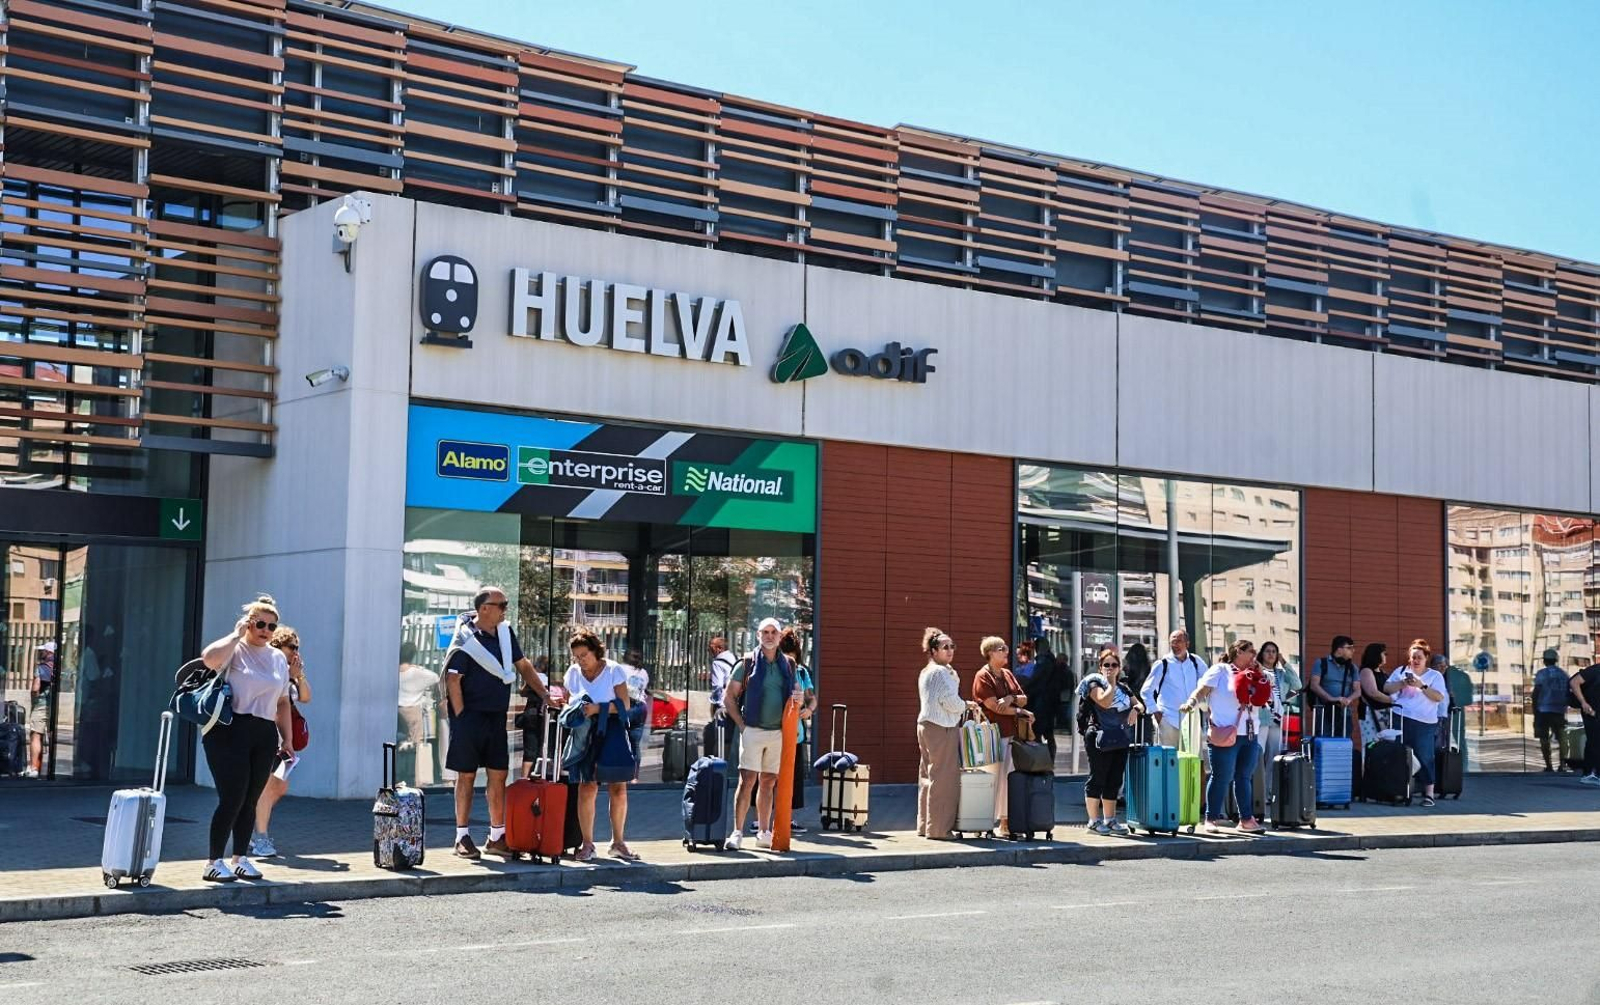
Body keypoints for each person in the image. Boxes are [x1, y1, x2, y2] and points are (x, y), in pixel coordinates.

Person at [442, 588, 551, 860]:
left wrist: (545, 694)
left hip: (496, 717)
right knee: (466, 776)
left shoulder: (505, 633)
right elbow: (453, 679)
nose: (505, 609)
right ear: (484, 609)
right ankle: (461, 837)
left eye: (506, 604)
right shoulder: (466, 638)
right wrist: (461, 716)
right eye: (500, 605)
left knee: (498, 775)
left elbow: (523, 665)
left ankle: (497, 836)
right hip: (470, 718)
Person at [197, 595, 295, 882]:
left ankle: (240, 858)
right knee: (232, 798)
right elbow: (208, 659)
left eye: (271, 626)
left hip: (264, 731)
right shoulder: (235, 649)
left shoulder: (277, 658)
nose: (265, 630)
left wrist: (287, 739)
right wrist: (236, 634)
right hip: (229, 730)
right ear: (249, 623)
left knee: (251, 799)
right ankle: (213, 862)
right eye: (260, 624)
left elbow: (282, 702)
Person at [724, 618, 799, 850]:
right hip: (753, 730)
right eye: (765, 632)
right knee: (747, 780)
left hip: (778, 732)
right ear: (758, 635)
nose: (769, 636)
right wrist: (742, 726)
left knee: (768, 782)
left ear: (779, 637)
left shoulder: (789, 664)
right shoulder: (746, 663)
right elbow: (729, 697)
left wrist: (799, 698)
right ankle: (737, 832)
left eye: (773, 632)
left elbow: (797, 693)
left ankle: (764, 832)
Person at [1181, 638, 1267, 834]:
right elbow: (1202, 690)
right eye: (1250, 651)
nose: (1254, 655)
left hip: (1249, 733)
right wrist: (1191, 702)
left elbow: (1265, 696)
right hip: (1224, 731)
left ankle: (1246, 819)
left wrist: (1261, 674)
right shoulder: (1221, 670)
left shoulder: (1255, 673)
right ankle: (1211, 818)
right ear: (1238, 652)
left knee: (1244, 777)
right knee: (1221, 776)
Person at [564, 629, 636, 860]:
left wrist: (598, 708)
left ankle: (618, 843)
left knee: (618, 787)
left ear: (595, 651)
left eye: (584, 655)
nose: (581, 660)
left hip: (611, 729)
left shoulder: (613, 670)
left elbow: (625, 704)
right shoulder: (573, 673)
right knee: (587, 786)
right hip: (585, 732)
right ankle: (587, 844)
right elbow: (568, 700)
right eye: (577, 656)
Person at [248, 626, 310, 858]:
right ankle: (260, 837)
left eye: (297, 647)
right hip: (267, 734)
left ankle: (250, 822)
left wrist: (298, 675)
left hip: (284, 739)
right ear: (278, 646)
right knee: (267, 785)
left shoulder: (291, 672)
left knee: (279, 786)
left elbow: (306, 697)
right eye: (291, 647)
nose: (295, 651)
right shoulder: (269, 668)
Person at [916, 627, 976, 840]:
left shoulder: (927, 671)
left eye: (952, 646)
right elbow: (950, 702)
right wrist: (966, 704)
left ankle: (925, 825)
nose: (950, 650)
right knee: (944, 779)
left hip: (926, 725)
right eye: (945, 647)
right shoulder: (941, 672)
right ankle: (939, 830)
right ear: (933, 651)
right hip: (942, 727)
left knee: (928, 777)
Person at [1079, 648, 1143, 834]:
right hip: (1099, 737)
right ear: (1100, 667)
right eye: (1106, 665)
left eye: (1114, 665)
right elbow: (1104, 702)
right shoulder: (1094, 684)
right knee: (1098, 777)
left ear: (1119, 668)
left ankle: (1110, 819)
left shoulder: (1124, 688)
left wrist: (1135, 710)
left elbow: (1140, 704)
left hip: (1119, 737)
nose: (1110, 668)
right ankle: (1093, 821)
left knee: (1114, 779)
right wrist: (1111, 682)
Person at [973, 636, 1031, 834]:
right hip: (992, 735)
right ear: (990, 653)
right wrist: (1019, 710)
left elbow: (1023, 698)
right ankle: (982, 823)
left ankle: (1004, 822)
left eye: (1006, 648)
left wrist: (1010, 698)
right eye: (1001, 649)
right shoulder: (983, 676)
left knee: (1008, 779)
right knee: (990, 779)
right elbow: (993, 706)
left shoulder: (1007, 673)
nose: (1006, 651)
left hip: (1011, 734)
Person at [1382, 639, 1447, 807]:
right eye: (1413, 657)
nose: (1415, 661)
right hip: (1401, 716)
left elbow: (1439, 697)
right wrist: (1403, 683)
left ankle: (1429, 793)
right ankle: (1398, 790)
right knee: (1399, 754)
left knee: (1425, 756)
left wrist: (1421, 686)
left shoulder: (1435, 676)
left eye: (1419, 657)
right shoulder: (1401, 671)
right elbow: (1386, 688)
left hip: (1424, 722)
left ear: (1426, 659)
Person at [1140, 629, 1206, 749]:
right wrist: (1157, 714)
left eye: (1179, 641)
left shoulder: (1196, 662)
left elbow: (1207, 685)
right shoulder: (1163, 663)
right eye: (1173, 642)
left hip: (1191, 722)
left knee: (1192, 759)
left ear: (1187, 644)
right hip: (1168, 720)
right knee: (1168, 759)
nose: (1175, 645)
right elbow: (1146, 691)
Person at [1256, 640, 1302, 807]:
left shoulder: (1281, 674)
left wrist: (1284, 662)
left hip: (1276, 718)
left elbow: (1297, 686)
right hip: (1261, 717)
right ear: (1261, 654)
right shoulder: (1257, 671)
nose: (1271, 654)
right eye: (1267, 651)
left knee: (1273, 756)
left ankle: (1268, 791)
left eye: (1274, 651)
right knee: (1258, 754)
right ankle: (1257, 791)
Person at [1309, 635, 1360, 736]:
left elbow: (1358, 690)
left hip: (1344, 711)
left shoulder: (1352, 668)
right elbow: (1314, 685)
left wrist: (1349, 699)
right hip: (1324, 710)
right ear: (1339, 649)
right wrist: (1331, 698)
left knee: (1344, 740)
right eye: (1349, 648)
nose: (1353, 651)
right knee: (1324, 739)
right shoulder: (1321, 663)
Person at [1022, 638, 1062, 764]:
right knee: (1049, 734)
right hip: (1050, 703)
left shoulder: (1043, 660)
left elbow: (1036, 679)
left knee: (1037, 732)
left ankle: (1040, 761)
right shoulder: (1052, 660)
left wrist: (1024, 689)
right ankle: (1049, 761)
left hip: (1041, 702)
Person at [1530, 649, 1569, 773]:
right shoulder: (1563, 674)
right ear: (1556, 660)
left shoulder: (1541, 674)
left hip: (1543, 710)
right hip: (1559, 710)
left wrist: (1534, 710)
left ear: (1544, 660)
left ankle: (1549, 765)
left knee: (1544, 738)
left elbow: (1536, 692)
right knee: (1562, 739)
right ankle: (1562, 765)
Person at [397, 641, 440, 746]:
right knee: (415, 742)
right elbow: (436, 678)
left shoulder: (390, 671)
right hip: (412, 711)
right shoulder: (418, 673)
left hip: (395, 710)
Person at [24, 641, 55, 778]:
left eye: (43, 650)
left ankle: (34, 768)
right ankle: (51, 768)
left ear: (48, 652)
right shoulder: (59, 668)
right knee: (51, 734)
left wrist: (34, 697)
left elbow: (36, 688)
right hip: (54, 704)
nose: (41, 652)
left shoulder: (42, 668)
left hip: (41, 704)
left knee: (36, 735)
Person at [620, 649, 651, 782]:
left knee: (619, 740)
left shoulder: (620, 669)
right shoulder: (643, 672)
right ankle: (634, 777)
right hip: (641, 707)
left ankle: (619, 773)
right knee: (635, 744)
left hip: (626, 706)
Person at [1569, 662, 1600, 785]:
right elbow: (1574, 682)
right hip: (1591, 710)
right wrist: (1583, 702)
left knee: (1594, 741)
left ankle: (1590, 773)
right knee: (1595, 740)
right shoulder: (1595, 670)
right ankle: (1591, 773)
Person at [707, 635, 738, 753]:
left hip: (724, 705)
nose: (709, 652)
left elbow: (717, 686)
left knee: (721, 739)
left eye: (711, 648)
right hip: (736, 703)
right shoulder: (735, 658)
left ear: (719, 648)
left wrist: (719, 705)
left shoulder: (717, 663)